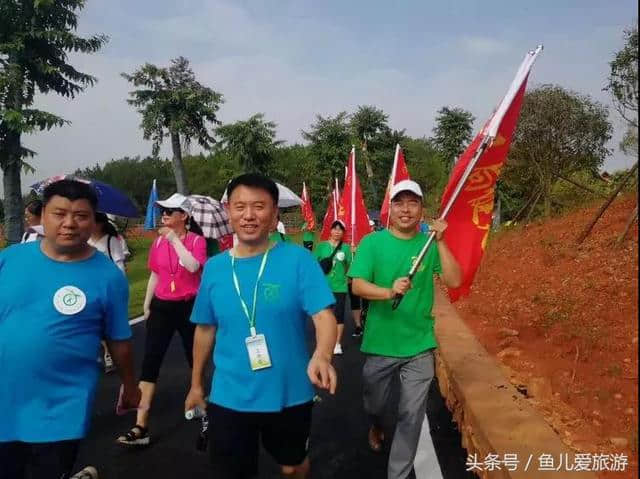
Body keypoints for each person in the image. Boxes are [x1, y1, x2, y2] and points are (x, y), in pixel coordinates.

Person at [185, 173, 338, 479]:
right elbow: (204, 329)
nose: (249, 215)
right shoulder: (215, 269)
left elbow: (323, 315)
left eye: (259, 206)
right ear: (229, 211)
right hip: (229, 395)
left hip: (289, 392)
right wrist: (196, 384)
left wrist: (322, 355)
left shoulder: (298, 260)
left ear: (274, 213)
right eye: (240, 206)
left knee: (293, 466)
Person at [0, 179, 140, 479]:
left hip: (63, 404)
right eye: (59, 213)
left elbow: (119, 338)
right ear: (43, 216)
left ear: (93, 220)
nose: (69, 223)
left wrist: (130, 386)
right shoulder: (9, 260)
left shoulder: (107, 276)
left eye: (81, 215)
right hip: (6, 397)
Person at [349, 179, 462, 479]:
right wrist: (388, 292)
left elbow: (453, 280)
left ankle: (396, 474)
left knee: (411, 415)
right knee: (374, 403)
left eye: (413, 203)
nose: (406, 209)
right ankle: (376, 424)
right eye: (400, 202)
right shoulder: (373, 243)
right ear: (390, 208)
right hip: (380, 343)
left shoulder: (428, 245)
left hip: (419, 344)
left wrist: (440, 241)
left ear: (422, 210)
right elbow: (357, 283)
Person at [117, 193, 207, 447]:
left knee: (195, 361)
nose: (164, 215)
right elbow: (156, 275)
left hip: (189, 307)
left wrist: (174, 240)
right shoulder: (157, 244)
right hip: (162, 307)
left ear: (184, 216)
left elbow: (192, 267)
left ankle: (206, 416)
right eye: (163, 211)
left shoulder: (196, 241)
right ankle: (141, 424)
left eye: (170, 211)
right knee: (151, 362)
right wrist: (147, 305)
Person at [88, 212, 126, 373]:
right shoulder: (86, 242)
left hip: (107, 288)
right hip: (89, 287)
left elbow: (119, 265)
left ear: (99, 224)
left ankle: (109, 354)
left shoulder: (111, 241)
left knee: (107, 323)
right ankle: (98, 352)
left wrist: (120, 286)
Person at [313, 220, 352, 355]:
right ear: (330, 230)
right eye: (334, 229)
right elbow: (313, 265)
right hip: (324, 286)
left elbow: (350, 266)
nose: (337, 232)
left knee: (339, 316)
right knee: (324, 315)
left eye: (340, 230)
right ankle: (324, 342)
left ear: (343, 232)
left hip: (340, 286)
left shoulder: (346, 248)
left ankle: (337, 343)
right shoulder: (321, 246)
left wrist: (348, 278)